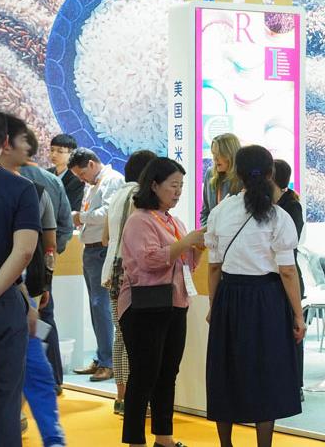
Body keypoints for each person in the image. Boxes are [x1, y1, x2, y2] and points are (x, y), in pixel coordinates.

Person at [206, 146, 304, 447]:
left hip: (229, 296)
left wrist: (214, 306)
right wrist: (298, 315)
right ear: (271, 174)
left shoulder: (221, 212)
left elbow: (213, 267)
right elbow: (288, 272)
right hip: (267, 300)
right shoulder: (278, 216)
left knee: (226, 371)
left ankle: (226, 445)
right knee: (267, 371)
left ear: (236, 173)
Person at [118, 157, 204, 447]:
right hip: (144, 307)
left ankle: (164, 438)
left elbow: (186, 265)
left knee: (168, 372)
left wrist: (198, 248)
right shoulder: (139, 219)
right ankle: (134, 440)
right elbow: (149, 260)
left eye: (181, 186)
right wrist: (186, 242)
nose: (178, 192)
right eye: (173, 186)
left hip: (175, 304)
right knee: (144, 374)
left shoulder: (174, 221)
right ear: (154, 185)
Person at [0, 107, 40, 446]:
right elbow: (24, 251)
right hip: (3, 304)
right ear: (5, 142)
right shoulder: (22, 189)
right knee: (6, 402)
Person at [101, 149, 157, 415]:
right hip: (132, 272)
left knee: (120, 335)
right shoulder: (141, 197)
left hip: (111, 270)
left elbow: (105, 237)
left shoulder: (116, 195)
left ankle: (121, 397)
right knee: (137, 337)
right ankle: (137, 400)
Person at [19, 128, 71, 392]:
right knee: (44, 320)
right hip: (39, 267)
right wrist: (48, 257)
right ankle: (53, 380)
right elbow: (63, 227)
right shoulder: (50, 181)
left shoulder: (4, 180)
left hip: (11, 269)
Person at [68, 146, 125, 382]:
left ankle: (108, 362)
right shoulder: (94, 184)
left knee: (100, 305)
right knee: (96, 307)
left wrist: (80, 217)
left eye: (82, 174)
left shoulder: (112, 180)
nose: (82, 179)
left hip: (101, 249)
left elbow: (108, 213)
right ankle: (102, 357)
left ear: (91, 164)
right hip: (90, 249)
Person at [271, 157, 306, 397]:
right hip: (276, 275)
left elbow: (286, 249)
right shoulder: (269, 205)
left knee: (295, 328)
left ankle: (296, 383)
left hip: (289, 273)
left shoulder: (290, 207)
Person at [201, 132, 242, 225]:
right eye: (213, 154)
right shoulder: (210, 174)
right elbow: (205, 212)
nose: (215, 159)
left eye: (219, 154)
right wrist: (207, 232)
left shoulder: (243, 178)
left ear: (230, 154)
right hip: (213, 236)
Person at [48, 133, 84, 213]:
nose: (53, 154)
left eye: (60, 151)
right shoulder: (47, 173)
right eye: (52, 150)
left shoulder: (77, 180)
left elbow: (68, 208)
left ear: (71, 154)